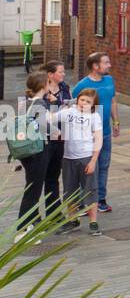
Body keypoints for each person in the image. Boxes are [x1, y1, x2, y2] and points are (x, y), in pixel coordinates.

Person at [73, 52, 118, 213]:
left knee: (104, 166)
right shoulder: (81, 86)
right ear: (95, 66)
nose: (109, 65)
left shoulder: (109, 80)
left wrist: (116, 121)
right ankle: (85, 201)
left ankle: (100, 199)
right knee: (90, 168)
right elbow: (74, 109)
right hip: (88, 135)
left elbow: (113, 101)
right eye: (106, 63)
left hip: (105, 132)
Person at [57, 88, 103, 236]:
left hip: (86, 157)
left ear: (93, 105)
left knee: (90, 190)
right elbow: (51, 118)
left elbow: (98, 139)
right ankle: (73, 220)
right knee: (69, 191)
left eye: (88, 102)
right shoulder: (69, 112)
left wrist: (93, 161)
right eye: (82, 99)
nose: (84, 103)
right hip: (68, 158)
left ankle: (93, 222)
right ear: (77, 99)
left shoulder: (94, 117)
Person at [13, 73, 54, 241]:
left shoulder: (26, 102)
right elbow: (47, 127)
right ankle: (22, 231)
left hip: (27, 151)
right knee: (33, 191)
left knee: (32, 188)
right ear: (43, 86)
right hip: (38, 151)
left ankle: (28, 227)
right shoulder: (40, 103)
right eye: (48, 82)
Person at [39, 62, 71, 217]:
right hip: (43, 140)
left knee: (53, 177)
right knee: (38, 179)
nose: (63, 74)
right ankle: (33, 217)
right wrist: (56, 104)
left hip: (60, 137)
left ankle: (54, 214)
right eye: (60, 71)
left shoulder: (64, 88)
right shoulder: (40, 91)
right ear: (50, 75)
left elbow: (68, 109)